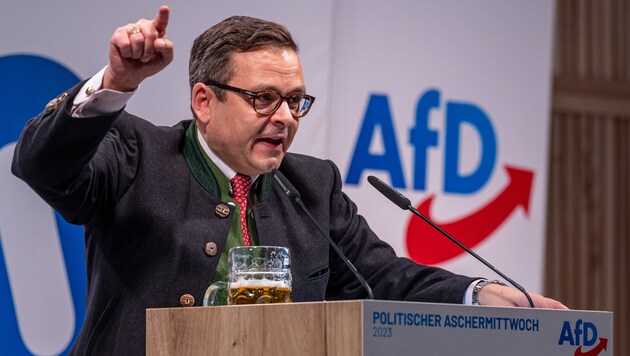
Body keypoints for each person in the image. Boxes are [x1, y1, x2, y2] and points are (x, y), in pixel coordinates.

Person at [12, 6, 567, 355]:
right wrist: (115, 82)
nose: (285, 116)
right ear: (204, 100)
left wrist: (480, 294)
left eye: (295, 101)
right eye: (263, 98)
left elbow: (384, 278)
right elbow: (41, 164)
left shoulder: (313, 185)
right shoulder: (138, 153)